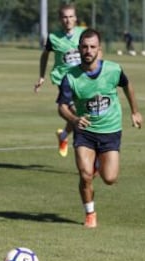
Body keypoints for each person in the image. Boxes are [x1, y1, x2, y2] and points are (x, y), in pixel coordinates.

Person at [57, 28, 143, 228]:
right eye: (85, 47)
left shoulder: (113, 70)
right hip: (85, 132)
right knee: (85, 175)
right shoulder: (70, 77)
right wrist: (74, 119)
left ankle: (97, 165)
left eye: (92, 47)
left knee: (110, 178)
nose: (88, 50)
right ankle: (90, 213)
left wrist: (135, 111)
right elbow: (62, 106)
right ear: (79, 49)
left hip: (110, 130)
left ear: (99, 49)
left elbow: (127, 85)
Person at [34, 3, 85, 157]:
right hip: (64, 80)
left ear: (75, 18)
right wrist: (42, 76)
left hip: (82, 80)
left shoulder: (84, 33)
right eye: (64, 17)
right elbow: (45, 55)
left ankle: (63, 136)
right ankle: (84, 147)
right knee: (75, 112)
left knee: (79, 114)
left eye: (71, 17)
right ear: (60, 19)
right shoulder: (53, 37)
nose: (68, 20)